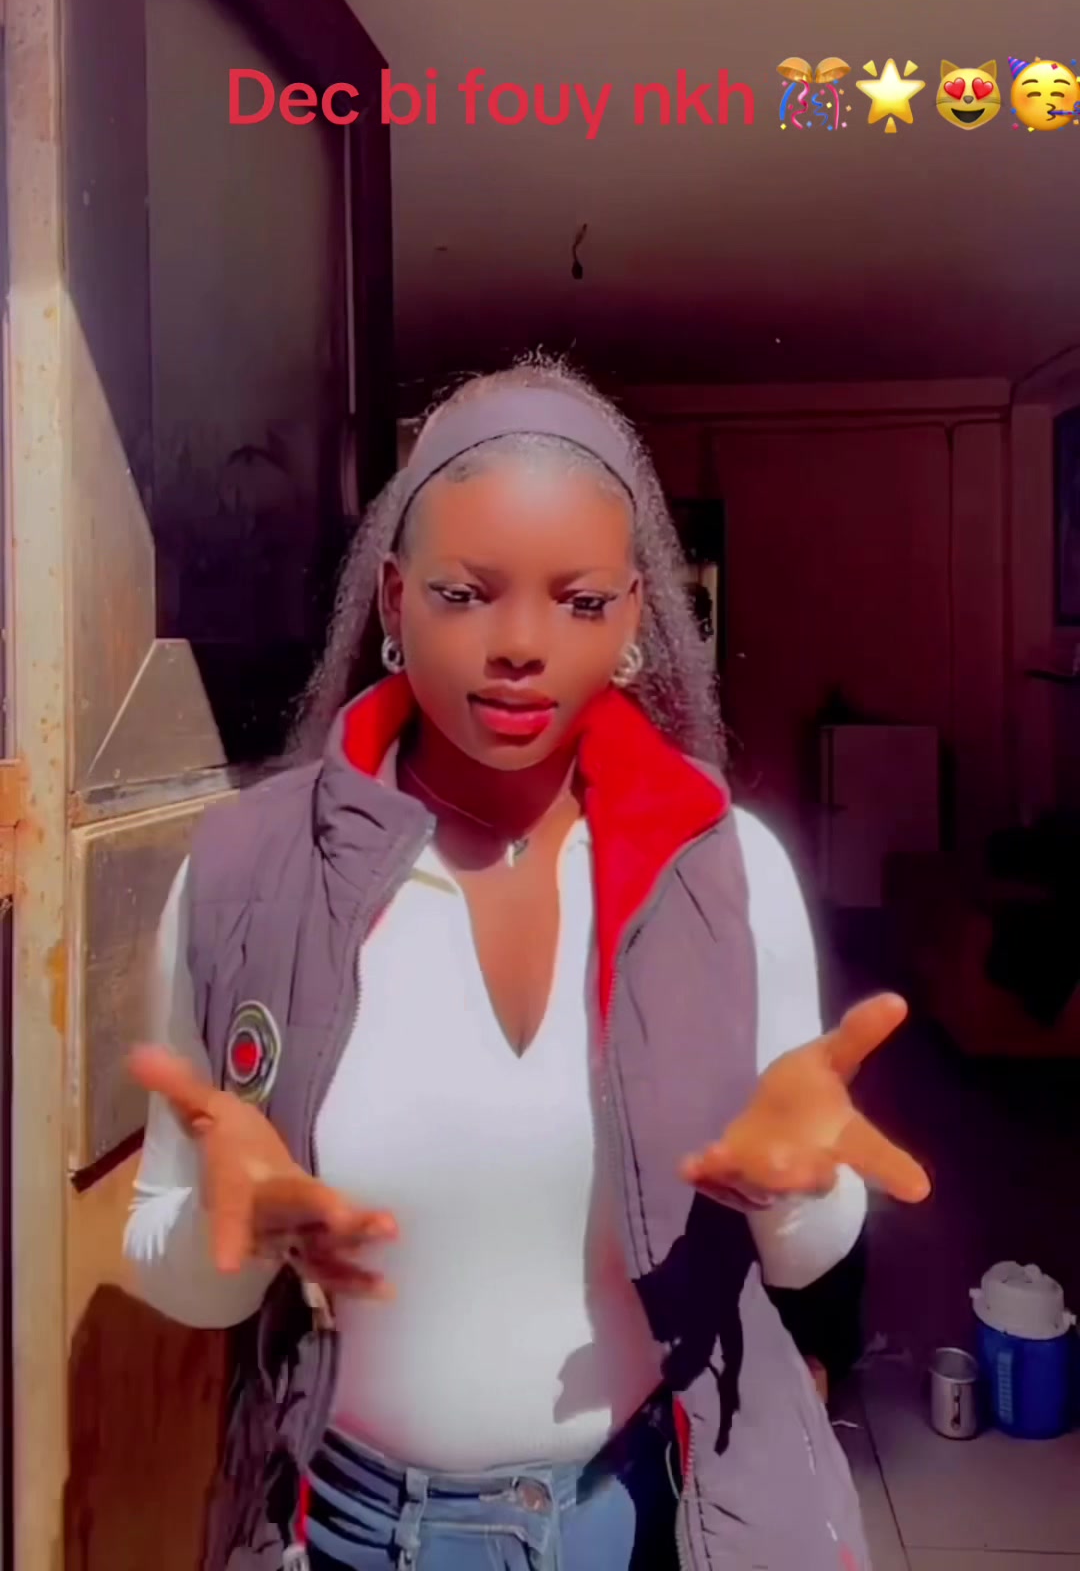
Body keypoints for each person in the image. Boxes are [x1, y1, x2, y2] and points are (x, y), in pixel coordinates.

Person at [125, 356, 930, 1571]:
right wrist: (222, 1235)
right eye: (464, 593)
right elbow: (180, 1273)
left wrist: (800, 1190)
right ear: (393, 600)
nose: (519, 645)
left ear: (635, 618)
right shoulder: (245, 877)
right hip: (358, 1536)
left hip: (660, 1521)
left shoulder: (722, 872)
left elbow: (806, 1253)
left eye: (580, 601)